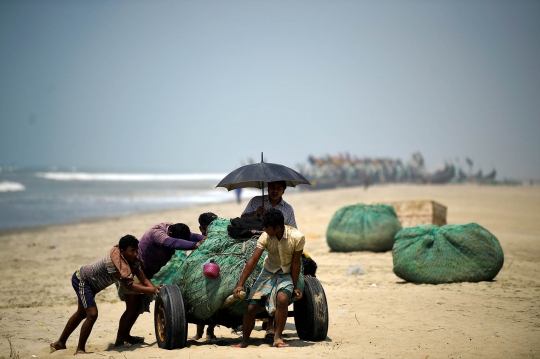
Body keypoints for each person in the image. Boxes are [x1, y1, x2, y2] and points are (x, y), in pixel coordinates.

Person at [50, 235, 160, 355]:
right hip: (83, 280)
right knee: (92, 314)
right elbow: (129, 285)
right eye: (131, 251)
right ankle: (80, 350)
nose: (135, 254)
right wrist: (153, 290)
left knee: (81, 313)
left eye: (136, 250)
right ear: (122, 251)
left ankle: (60, 343)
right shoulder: (113, 262)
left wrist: (155, 289)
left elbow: (144, 280)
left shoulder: (133, 260)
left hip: (93, 286)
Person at [114, 222, 206, 347]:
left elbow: (191, 235)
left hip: (146, 274)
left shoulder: (176, 229)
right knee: (131, 309)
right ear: (170, 234)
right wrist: (195, 245)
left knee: (136, 309)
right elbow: (172, 243)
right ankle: (119, 340)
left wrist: (207, 239)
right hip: (133, 271)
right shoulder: (157, 233)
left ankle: (126, 336)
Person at [232, 209, 304, 348]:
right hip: (268, 271)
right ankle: (244, 341)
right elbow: (253, 260)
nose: (263, 229)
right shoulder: (265, 236)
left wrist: (295, 286)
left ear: (277, 227)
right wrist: (240, 284)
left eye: (266, 227)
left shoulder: (297, 237)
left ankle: (277, 338)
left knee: (282, 299)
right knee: (252, 307)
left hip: (285, 273)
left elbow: (296, 263)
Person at [191, 212, 219, 342]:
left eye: (209, 228)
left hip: (216, 277)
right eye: (204, 228)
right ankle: (199, 332)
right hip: (200, 279)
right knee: (199, 302)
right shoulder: (198, 242)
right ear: (200, 229)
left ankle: (210, 330)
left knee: (215, 303)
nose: (206, 231)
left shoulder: (220, 241)